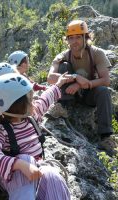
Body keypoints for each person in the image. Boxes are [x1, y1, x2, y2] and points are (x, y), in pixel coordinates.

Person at [0, 73, 72, 200]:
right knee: (26, 159)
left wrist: (58, 84)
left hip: (37, 170)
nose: (34, 101)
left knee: (53, 175)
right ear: (16, 106)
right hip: (13, 177)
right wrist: (20, 164)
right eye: (29, 100)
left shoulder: (32, 117)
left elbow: (45, 99)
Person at [47, 19, 117, 155]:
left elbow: (106, 80)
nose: (74, 41)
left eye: (78, 37)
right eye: (71, 38)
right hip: (69, 93)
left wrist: (87, 83)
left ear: (86, 37)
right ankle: (62, 107)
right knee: (64, 66)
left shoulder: (96, 53)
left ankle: (105, 136)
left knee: (103, 91)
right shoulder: (64, 55)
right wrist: (75, 77)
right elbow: (50, 78)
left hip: (88, 94)